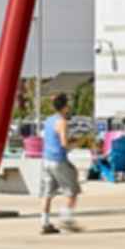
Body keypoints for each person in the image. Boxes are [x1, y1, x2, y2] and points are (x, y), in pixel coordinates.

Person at [39, 91, 81, 236]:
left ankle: (45, 223)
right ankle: (66, 218)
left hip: (46, 160)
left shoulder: (49, 120)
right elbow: (64, 143)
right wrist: (75, 143)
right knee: (71, 190)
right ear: (65, 107)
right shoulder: (62, 122)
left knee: (47, 193)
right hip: (59, 160)